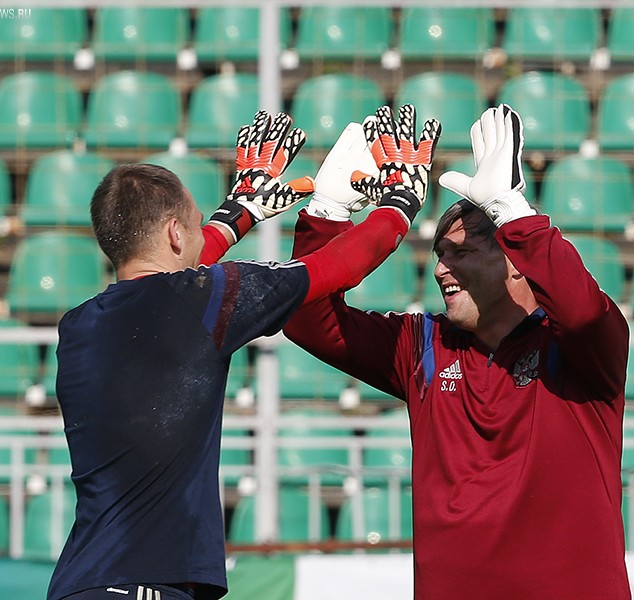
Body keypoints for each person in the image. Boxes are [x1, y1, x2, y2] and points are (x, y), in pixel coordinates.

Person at [47, 107, 440, 600]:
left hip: (81, 580)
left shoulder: (78, 324)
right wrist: (400, 203)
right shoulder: (197, 298)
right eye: (193, 226)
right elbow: (334, 268)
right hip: (146, 583)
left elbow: (171, 284)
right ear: (173, 234)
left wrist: (239, 212)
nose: (198, 235)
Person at [283, 105, 632, 599]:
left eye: (462, 253)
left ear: (515, 262)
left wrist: (514, 213)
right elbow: (307, 322)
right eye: (440, 255)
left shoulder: (578, 346)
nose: (442, 269)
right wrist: (327, 215)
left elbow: (582, 310)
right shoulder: (423, 343)